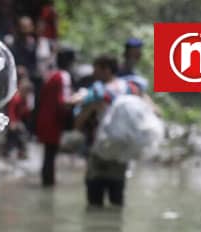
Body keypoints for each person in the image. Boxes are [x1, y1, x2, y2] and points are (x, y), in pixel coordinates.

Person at [74, 55, 142, 207]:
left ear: (107, 70)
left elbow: (78, 124)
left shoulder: (97, 91)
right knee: (117, 200)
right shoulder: (131, 89)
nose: (94, 74)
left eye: (96, 70)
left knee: (94, 201)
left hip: (98, 151)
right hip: (121, 153)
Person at [35, 47, 77, 186]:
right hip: (53, 121)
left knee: (48, 154)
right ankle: (48, 184)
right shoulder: (63, 76)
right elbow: (63, 101)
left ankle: (47, 183)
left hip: (44, 118)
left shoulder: (51, 74)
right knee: (50, 155)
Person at [5, 77, 33, 160]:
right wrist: (12, 122)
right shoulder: (16, 98)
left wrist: (28, 107)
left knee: (22, 134)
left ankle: (21, 152)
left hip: (18, 121)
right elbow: (11, 111)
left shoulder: (24, 99)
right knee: (12, 135)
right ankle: (8, 151)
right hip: (11, 121)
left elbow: (25, 113)